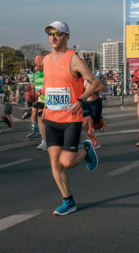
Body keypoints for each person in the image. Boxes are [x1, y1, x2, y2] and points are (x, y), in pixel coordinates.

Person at [41, 21, 101, 216]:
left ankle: (85, 148)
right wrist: (43, 104)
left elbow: (96, 84)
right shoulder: (45, 60)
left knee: (66, 162)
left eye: (58, 33)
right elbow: (49, 86)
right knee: (55, 162)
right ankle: (68, 201)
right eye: (50, 33)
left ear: (67, 37)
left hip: (70, 119)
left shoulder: (73, 59)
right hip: (51, 117)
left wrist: (80, 99)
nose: (53, 37)